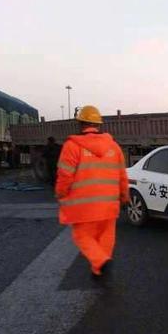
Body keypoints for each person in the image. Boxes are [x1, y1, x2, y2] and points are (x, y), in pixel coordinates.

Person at [55, 105, 130, 277]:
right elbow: (122, 175)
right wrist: (124, 195)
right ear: (98, 125)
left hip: (83, 206)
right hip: (109, 204)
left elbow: (65, 175)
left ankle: (100, 262)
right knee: (106, 236)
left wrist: (60, 192)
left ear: (80, 123)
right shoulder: (114, 147)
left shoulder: (72, 146)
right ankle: (99, 269)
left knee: (82, 236)